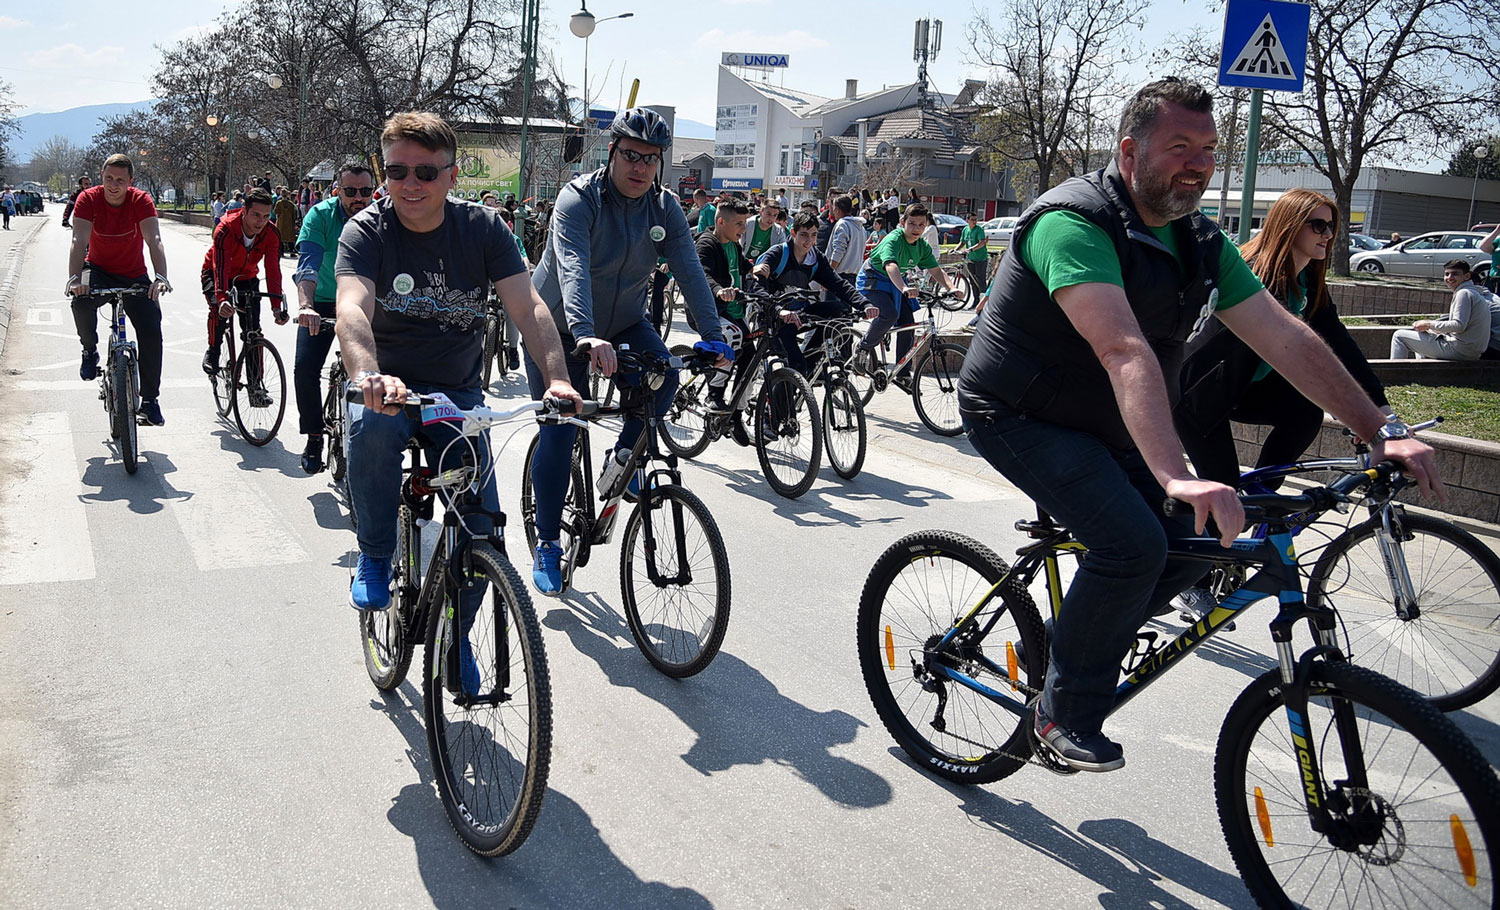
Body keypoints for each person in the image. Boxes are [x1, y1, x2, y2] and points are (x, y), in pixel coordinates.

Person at [956, 78, 1442, 773]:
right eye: (1178, 146)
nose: (1197, 162)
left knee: (1196, 542)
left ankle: (1075, 640)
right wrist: (1180, 476)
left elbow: (1287, 337)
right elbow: (1122, 348)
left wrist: (1381, 428)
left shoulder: (1199, 238)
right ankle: (1061, 708)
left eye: (1209, 149)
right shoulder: (1072, 223)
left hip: (1109, 416)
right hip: (1018, 411)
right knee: (1130, 546)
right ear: (1129, 152)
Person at [335, 111, 580, 614]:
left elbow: (529, 307)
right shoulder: (367, 230)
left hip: (457, 395)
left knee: (481, 532)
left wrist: (556, 379)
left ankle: (459, 647)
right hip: (388, 386)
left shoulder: (485, 229)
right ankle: (376, 552)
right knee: (374, 430)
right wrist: (366, 374)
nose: (411, 184)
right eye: (397, 171)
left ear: (451, 175)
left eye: (426, 172)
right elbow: (350, 306)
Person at [527, 107, 731, 595]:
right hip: (556, 326)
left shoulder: (664, 209)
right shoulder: (578, 199)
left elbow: (689, 269)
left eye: (651, 158)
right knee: (561, 425)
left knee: (666, 379)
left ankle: (624, 458)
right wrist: (584, 334)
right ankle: (548, 542)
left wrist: (714, 335)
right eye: (631, 155)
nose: (640, 167)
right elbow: (573, 267)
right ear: (613, 152)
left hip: (623, 321)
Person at [1171, 188, 1393, 619]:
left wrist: (1382, 414)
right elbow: (1289, 349)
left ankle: (1259, 501)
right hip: (1196, 396)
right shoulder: (1255, 275)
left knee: (1305, 413)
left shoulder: (1308, 283)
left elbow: (1343, 348)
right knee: (1222, 492)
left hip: (1240, 389)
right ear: (1289, 225)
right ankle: (1191, 582)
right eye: (1318, 224)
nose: (1328, 234)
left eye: (1333, 225)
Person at [67, 153, 173, 426]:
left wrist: (160, 276)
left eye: (120, 180)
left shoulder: (140, 200)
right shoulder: (88, 199)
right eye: (108, 179)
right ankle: (90, 350)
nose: (113, 185)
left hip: (134, 274)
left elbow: (154, 239)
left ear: (130, 182)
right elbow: (79, 240)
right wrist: (74, 279)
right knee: (80, 302)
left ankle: (150, 401)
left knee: (151, 326)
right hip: (98, 269)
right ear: (101, 177)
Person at [291, 162, 375, 474]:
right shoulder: (320, 215)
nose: (359, 198)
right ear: (337, 191)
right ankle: (314, 435)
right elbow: (308, 264)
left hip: (367, 303)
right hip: (324, 301)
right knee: (305, 368)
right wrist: (306, 305)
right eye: (351, 192)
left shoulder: (382, 217)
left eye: (365, 192)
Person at [752, 211, 868, 377]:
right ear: (793, 233)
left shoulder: (815, 258)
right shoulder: (777, 254)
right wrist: (778, 310)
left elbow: (838, 284)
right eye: (804, 235)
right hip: (775, 318)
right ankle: (783, 395)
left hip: (800, 314)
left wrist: (865, 304)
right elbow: (757, 288)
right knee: (795, 367)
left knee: (839, 309)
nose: (809, 241)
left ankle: (810, 360)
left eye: (813, 235)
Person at [200, 186, 289, 380]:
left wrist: (276, 306)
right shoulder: (225, 229)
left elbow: (273, 269)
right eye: (256, 215)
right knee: (219, 311)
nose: (261, 221)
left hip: (247, 277)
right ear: (244, 211)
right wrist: (222, 298)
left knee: (253, 330)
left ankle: (256, 385)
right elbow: (220, 266)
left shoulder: (271, 233)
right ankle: (213, 352)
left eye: (266, 216)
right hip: (215, 271)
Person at [856, 202, 956, 373]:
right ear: (903, 222)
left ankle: (902, 372)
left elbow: (936, 270)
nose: (916, 228)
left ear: (926, 225)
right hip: (873, 281)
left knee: (908, 323)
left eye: (921, 224)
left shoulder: (922, 246)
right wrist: (904, 288)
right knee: (889, 314)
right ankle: (863, 347)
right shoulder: (893, 240)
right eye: (912, 223)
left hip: (896, 283)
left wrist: (952, 288)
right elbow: (891, 266)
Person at [696, 196, 755, 406]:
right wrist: (719, 290)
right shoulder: (706, 245)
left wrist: (755, 269)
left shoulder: (734, 244)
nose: (744, 229)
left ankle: (737, 409)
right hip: (710, 311)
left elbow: (742, 264)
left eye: (745, 224)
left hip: (733, 311)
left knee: (751, 356)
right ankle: (715, 394)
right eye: (739, 224)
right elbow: (703, 274)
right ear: (721, 222)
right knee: (732, 337)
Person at [1389, 260, 1493, 360]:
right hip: (1470, 350)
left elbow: (1458, 325)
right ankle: (1421, 373)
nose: (1450, 277)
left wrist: (1429, 323)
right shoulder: (1473, 293)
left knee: (1399, 336)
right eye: (1447, 274)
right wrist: (1433, 328)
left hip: (1459, 350)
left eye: (1455, 274)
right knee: (1422, 333)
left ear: (1467, 276)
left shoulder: (1464, 293)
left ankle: (1393, 376)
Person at [955, 211, 990, 300]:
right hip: (971, 259)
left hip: (980, 258)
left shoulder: (979, 230)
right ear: (968, 220)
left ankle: (984, 300)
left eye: (975, 220)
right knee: (972, 280)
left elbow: (982, 242)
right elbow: (962, 242)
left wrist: (970, 249)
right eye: (972, 220)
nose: (974, 221)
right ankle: (976, 299)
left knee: (980, 280)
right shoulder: (965, 230)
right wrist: (955, 249)